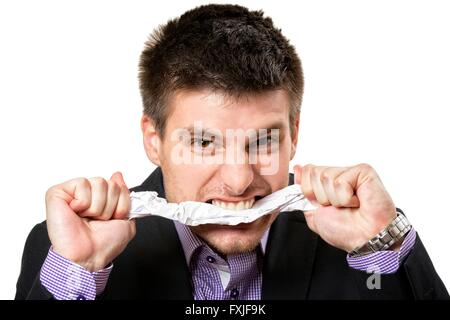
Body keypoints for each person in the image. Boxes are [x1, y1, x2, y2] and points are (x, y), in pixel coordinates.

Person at [15, 4, 448, 300]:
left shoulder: (363, 239)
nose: (240, 182)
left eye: (264, 141)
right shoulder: (65, 250)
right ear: (153, 140)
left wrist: (386, 246)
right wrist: (80, 271)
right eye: (204, 143)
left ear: (294, 134)